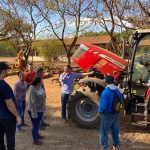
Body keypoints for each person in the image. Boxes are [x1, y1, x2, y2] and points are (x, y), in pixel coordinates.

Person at [0, 62, 21, 150]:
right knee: (10, 140)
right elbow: (9, 104)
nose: (7, 71)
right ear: (2, 71)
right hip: (8, 118)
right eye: (6, 69)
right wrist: (17, 116)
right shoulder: (4, 86)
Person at [98, 75, 123, 150]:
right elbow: (121, 101)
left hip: (107, 115)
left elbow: (103, 106)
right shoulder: (117, 90)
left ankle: (105, 147)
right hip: (115, 114)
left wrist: (99, 112)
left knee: (104, 132)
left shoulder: (106, 92)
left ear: (106, 82)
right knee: (115, 130)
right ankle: (116, 146)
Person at [27, 77, 45, 145]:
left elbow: (42, 94)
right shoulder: (32, 89)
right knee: (35, 125)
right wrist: (34, 114)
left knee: (37, 124)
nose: (42, 82)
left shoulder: (39, 87)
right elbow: (32, 103)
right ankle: (35, 140)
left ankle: (37, 135)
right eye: (41, 81)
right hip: (35, 111)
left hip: (40, 109)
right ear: (38, 83)